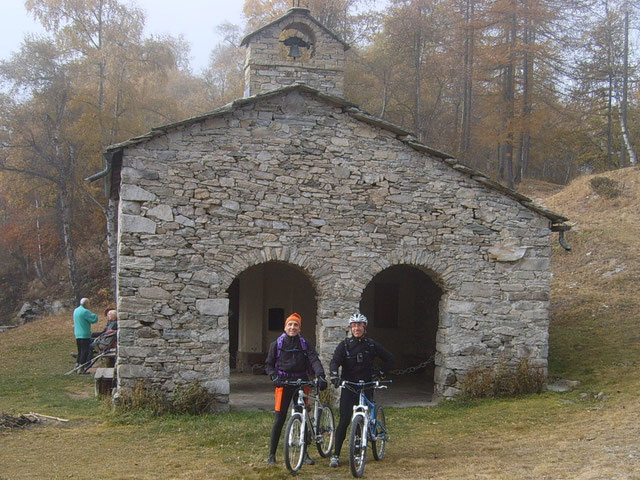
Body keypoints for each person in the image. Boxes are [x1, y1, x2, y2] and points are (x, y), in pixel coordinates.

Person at [328, 312, 394, 468]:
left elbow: (390, 358)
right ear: (350, 327)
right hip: (349, 387)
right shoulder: (344, 345)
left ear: (365, 327)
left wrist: (381, 374)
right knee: (344, 421)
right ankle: (336, 455)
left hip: (367, 386)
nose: (357, 328)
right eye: (354, 325)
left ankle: (358, 451)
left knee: (364, 418)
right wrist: (334, 376)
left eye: (360, 325)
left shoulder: (371, 344)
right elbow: (334, 361)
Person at [264, 312, 328, 466]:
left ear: (300, 328)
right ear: (285, 327)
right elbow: (268, 364)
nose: (292, 327)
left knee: (303, 416)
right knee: (279, 418)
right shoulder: (276, 344)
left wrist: (320, 375)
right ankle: (272, 455)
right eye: (290, 324)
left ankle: (304, 453)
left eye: (296, 325)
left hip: (301, 383)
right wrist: (273, 376)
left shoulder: (305, 344)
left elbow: (314, 359)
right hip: (283, 383)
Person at [73, 298, 99, 373]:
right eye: (89, 303)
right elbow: (94, 319)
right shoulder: (85, 311)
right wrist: (95, 315)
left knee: (80, 350)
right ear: (86, 304)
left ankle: (77, 365)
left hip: (77, 334)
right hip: (85, 334)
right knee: (85, 351)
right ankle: (81, 368)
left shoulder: (76, 310)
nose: (89, 305)